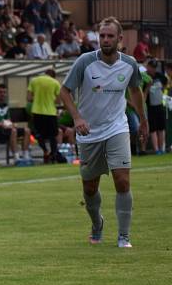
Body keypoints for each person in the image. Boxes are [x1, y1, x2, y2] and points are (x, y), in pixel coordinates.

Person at [59, 17, 148, 248]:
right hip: (89, 132)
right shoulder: (84, 62)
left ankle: (124, 236)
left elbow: (136, 91)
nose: (105, 40)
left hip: (117, 127)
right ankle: (97, 223)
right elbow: (65, 91)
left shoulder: (129, 64)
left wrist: (143, 120)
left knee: (123, 180)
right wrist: (77, 117)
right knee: (90, 187)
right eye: (102, 36)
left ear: (120, 39)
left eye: (110, 36)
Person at [0, 83, 32, 161]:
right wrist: (1, 125)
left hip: (5, 129)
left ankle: (25, 156)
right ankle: (16, 158)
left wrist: (11, 124)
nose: (2, 94)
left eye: (4, 92)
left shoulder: (6, 106)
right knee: (13, 131)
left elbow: (8, 120)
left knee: (27, 130)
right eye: (0, 92)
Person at [28, 68, 62, 163]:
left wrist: (38, 98)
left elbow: (29, 98)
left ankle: (45, 151)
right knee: (53, 136)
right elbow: (58, 101)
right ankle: (54, 155)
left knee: (39, 135)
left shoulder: (34, 81)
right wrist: (50, 99)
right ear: (53, 76)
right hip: (50, 113)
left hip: (37, 111)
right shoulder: (55, 83)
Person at [144, 60, 167, 154]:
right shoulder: (144, 76)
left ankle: (162, 148)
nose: (152, 69)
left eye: (154, 67)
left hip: (160, 105)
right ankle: (156, 149)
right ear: (147, 66)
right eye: (151, 67)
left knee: (161, 128)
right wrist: (148, 87)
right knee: (153, 128)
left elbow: (165, 83)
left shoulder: (160, 76)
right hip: (150, 106)